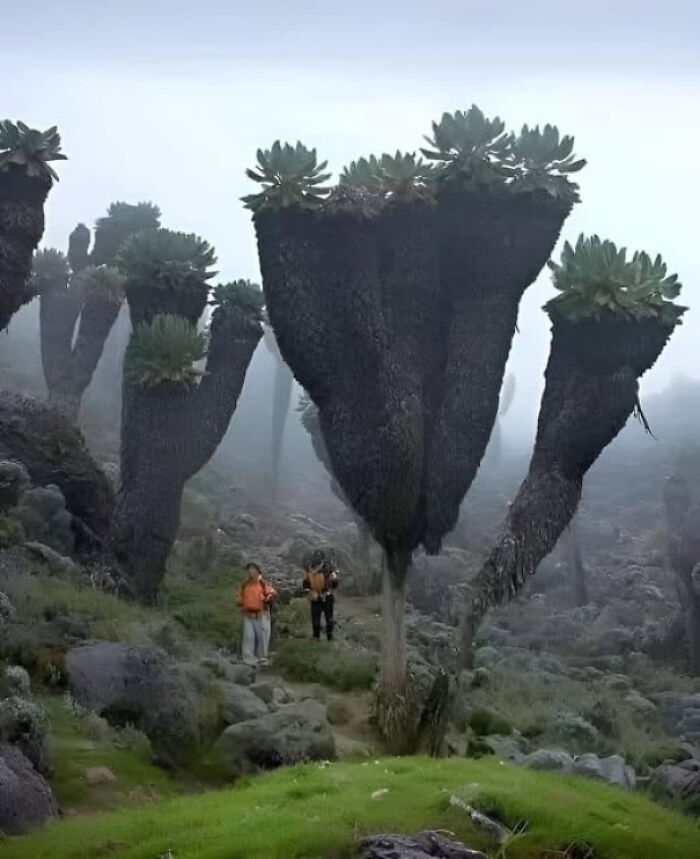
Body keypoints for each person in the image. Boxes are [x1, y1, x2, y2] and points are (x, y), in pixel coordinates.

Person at [236, 563, 276, 664]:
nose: (250, 571)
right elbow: (239, 596)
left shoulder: (263, 583)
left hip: (261, 613)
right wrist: (241, 601)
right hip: (248, 614)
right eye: (249, 569)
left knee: (262, 636)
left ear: (258, 570)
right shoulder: (245, 584)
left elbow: (271, 592)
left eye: (253, 569)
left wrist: (267, 598)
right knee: (248, 636)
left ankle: (262, 657)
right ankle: (248, 658)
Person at [302, 557, 339, 641]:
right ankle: (316, 636)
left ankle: (330, 636)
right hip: (316, 598)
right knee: (315, 618)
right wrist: (309, 592)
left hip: (328, 597)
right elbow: (305, 584)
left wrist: (335, 580)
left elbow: (335, 585)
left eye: (326, 566)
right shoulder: (311, 574)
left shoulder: (331, 573)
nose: (324, 567)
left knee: (329, 618)